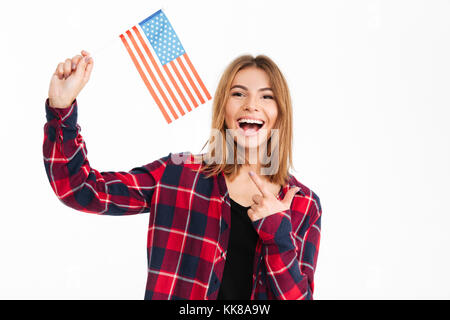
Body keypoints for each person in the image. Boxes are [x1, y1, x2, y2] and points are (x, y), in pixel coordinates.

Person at [43, 50, 322, 300]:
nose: (251, 104)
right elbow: (80, 190)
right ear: (223, 108)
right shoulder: (176, 173)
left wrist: (278, 234)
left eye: (266, 96)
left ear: (280, 112)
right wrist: (61, 109)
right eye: (238, 93)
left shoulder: (303, 203)